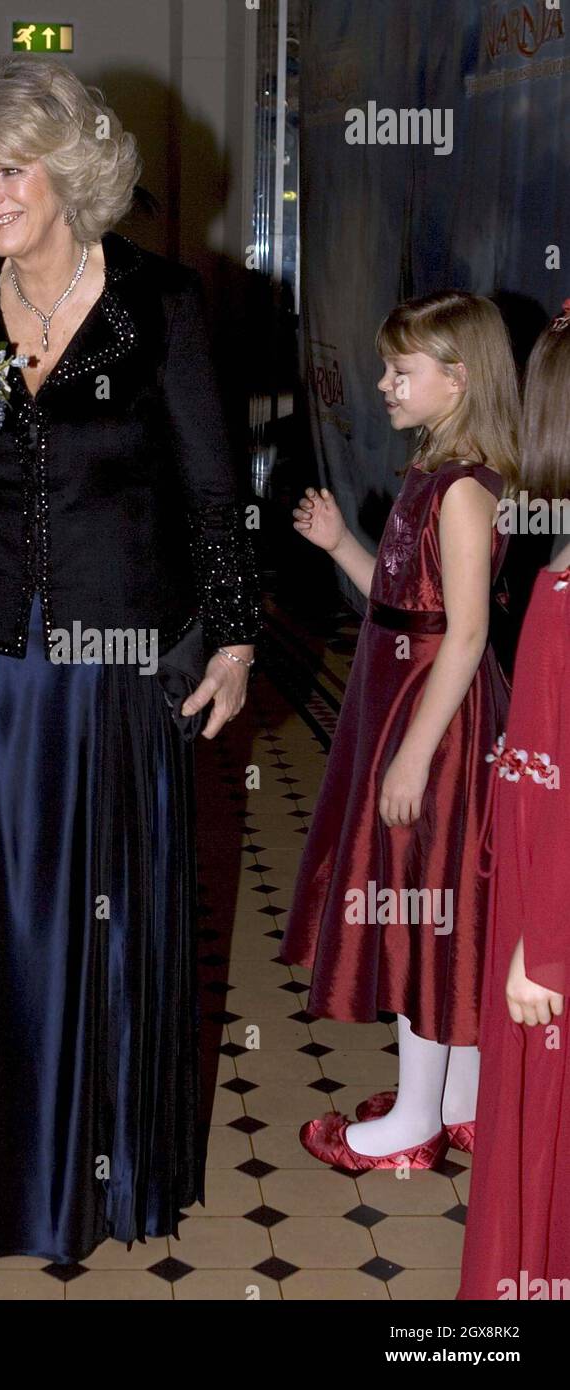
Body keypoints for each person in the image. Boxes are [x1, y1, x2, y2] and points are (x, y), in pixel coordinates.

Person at [0, 55, 262, 1263]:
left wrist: (236, 636)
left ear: (69, 171)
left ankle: (98, 1167)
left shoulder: (160, 304)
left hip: (116, 666)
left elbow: (212, 492)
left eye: (9, 169)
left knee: (98, 922)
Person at [280, 290, 518, 1170]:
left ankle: (414, 1120)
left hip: (434, 721)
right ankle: (458, 1100)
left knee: (425, 905)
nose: (382, 382)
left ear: (455, 381)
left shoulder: (461, 492)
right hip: (401, 703)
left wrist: (415, 753)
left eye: (398, 370)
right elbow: (398, 606)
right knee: (432, 903)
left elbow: (462, 634)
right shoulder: (430, 474)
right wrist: (344, 544)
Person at [458, 302, 570, 1299]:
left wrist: (541, 943)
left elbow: (547, 785)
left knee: (546, 1144)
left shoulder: (559, 601)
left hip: (553, 925)